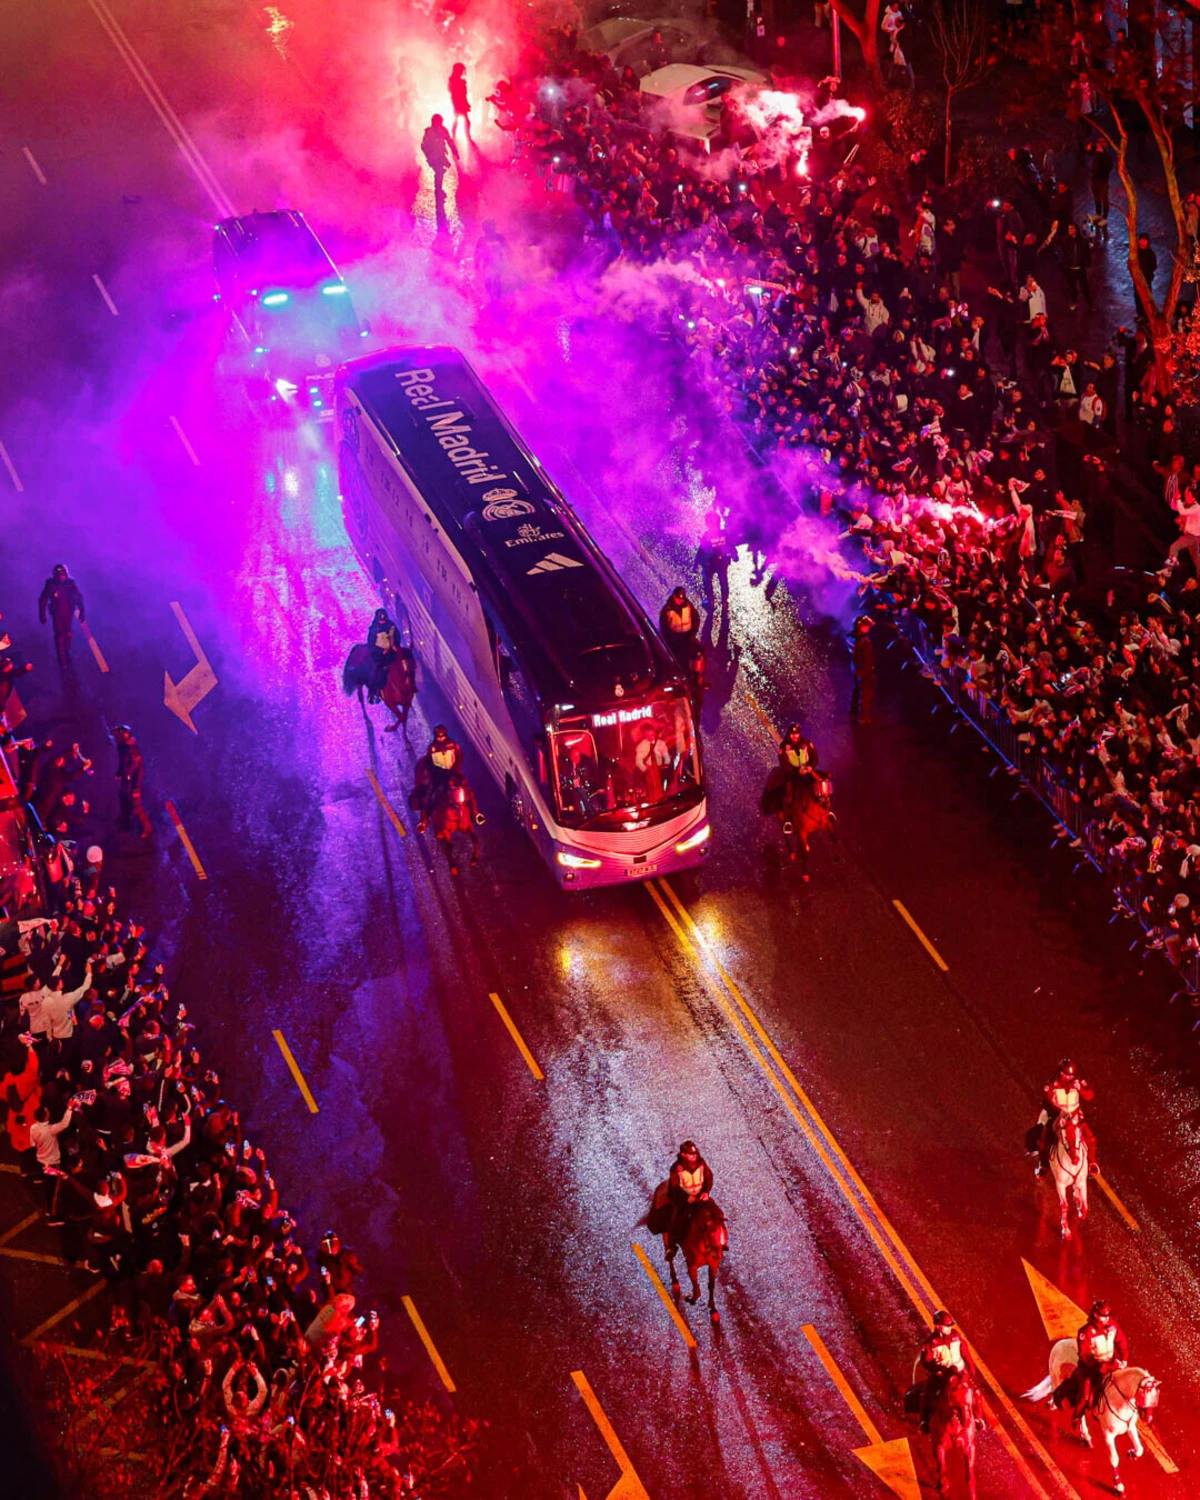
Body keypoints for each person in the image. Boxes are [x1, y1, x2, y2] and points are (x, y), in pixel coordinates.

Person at [1053, 1301, 1129, 1417]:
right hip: (1090, 1368)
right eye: (1103, 1316)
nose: (1106, 1319)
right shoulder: (1085, 1332)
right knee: (1085, 1395)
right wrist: (1101, 1366)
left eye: (1107, 1316)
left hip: (1110, 1363)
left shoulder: (1113, 1326)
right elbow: (1084, 1355)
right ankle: (1077, 1417)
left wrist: (1124, 1359)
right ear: (1096, 1315)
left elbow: (1121, 1341)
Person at [918, 1311, 981, 1432]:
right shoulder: (929, 1343)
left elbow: (965, 1351)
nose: (949, 1328)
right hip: (941, 1376)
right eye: (947, 1326)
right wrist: (937, 1370)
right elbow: (926, 1362)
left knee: (976, 1392)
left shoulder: (956, 1335)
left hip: (959, 1373)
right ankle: (924, 1421)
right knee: (927, 1394)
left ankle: (978, 1419)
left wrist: (971, 1366)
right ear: (938, 1326)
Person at [1031, 1059, 1094, 1176]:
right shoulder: (1052, 1084)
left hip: (1074, 1115)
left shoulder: (1078, 1082)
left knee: (1090, 1138)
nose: (1070, 1077)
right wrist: (1057, 1113)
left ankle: (1092, 1163)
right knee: (1044, 1139)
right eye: (1067, 1075)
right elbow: (1046, 1102)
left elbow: (1090, 1096)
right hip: (1058, 1116)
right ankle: (1043, 1165)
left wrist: (1080, 1088)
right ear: (1061, 1073)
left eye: (1072, 1075)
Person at [666, 1141, 712, 1258]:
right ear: (683, 1155)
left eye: (694, 1154)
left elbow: (709, 1177)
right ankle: (672, 1246)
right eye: (690, 1154)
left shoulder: (701, 1164)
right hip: (683, 1199)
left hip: (699, 1196)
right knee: (676, 1219)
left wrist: (706, 1192)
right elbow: (675, 1187)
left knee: (715, 1215)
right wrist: (687, 1197)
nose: (694, 1156)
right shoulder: (676, 1168)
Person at [434, 769, 483, 874]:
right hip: (441, 777)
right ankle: (428, 821)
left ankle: (476, 813)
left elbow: (459, 758)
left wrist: (460, 780)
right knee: (434, 797)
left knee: (469, 794)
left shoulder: (455, 756)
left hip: (455, 781)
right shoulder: (435, 752)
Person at [38, 564, 85, 668]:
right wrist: (42, 614)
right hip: (57, 614)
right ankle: (62, 658)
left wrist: (82, 611)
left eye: (63, 574)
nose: (61, 577)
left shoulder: (70, 584)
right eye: (59, 575)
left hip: (68, 613)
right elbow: (43, 599)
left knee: (68, 634)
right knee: (59, 635)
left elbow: (78, 597)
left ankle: (66, 651)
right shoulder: (51, 584)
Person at [113, 726, 151, 840]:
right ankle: (126, 826)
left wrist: (136, 788)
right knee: (124, 803)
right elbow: (123, 764)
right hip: (126, 781)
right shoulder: (124, 748)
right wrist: (120, 773)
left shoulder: (133, 751)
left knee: (136, 806)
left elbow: (138, 771)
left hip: (132, 783)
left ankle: (147, 828)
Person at [420, 113, 459, 195]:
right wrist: (428, 154)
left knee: (440, 171)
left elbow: (449, 141)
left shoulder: (443, 130)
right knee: (439, 171)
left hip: (440, 155)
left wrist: (455, 151)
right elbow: (423, 145)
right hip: (433, 156)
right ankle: (438, 189)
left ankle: (438, 189)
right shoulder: (429, 132)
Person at [659, 587, 700, 662]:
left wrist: (693, 633)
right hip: (673, 638)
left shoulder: (688, 606)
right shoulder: (667, 609)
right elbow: (663, 625)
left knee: (689, 657)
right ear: (674, 596)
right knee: (675, 658)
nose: (679, 601)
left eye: (681, 599)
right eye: (678, 599)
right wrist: (667, 638)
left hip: (687, 637)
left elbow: (696, 618)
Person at [365, 609, 397, 704]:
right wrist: (381, 651)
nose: (382, 622)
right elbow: (371, 643)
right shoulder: (374, 629)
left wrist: (394, 647)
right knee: (376, 672)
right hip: (379, 655)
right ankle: (373, 693)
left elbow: (397, 637)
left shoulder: (391, 626)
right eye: (381, 620)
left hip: (391, 652)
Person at [850, 616, 876, 724]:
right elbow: (859, 658)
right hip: (863, 671)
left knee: (857, 691)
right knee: (865, 695)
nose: (868, 629)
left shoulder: (855, 638)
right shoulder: (860, 641)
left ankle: (854, 711)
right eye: (865, 626)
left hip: (860, 670)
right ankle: (864, 717)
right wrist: (865, 671)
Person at [448, 62, 472, 146]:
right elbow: (458, 93)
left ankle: (455, 134)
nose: (462, 72)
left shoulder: (454, 79)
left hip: (459, 102)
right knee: (463, 120)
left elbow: (462, 93)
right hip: (458, 102)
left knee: (461, 119)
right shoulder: (454, 80)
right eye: (461, 70)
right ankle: (464, 136)